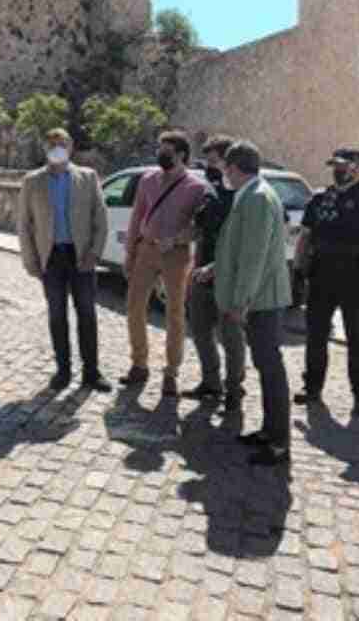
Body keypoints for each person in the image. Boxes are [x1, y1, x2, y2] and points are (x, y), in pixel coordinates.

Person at [196, 140, 291, 465]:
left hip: (262, 299)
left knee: (270, 368)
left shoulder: (258, 198)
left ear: (234, 168)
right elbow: (238, 248)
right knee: (266, 367)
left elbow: (254, 257)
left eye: (225, 169)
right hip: (258, 298)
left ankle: (278, 442)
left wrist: (239, 302)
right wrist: (214, 268)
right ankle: (268, 430)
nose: (224, 175)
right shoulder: (251, 194)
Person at [292, 148, 359, 417]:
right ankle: (312, 388)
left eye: (343, 166)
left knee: (357, 338)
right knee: (316, 335)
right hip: (321, 276)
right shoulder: (320, 198)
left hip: (357, 279)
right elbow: (305, 236)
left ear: (357, 168)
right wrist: (298, 268)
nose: (337, 171)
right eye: (335, 166)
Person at [18, 128, 112, 392]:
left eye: (62, 143)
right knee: (57, 315)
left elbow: (100, 220)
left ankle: (91, 372)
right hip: (51, 258)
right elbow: (24, 224)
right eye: (52, 144)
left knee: (87, 315)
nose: (57, 147)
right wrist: (30, 260)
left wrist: (94, 253)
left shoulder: (88, 177)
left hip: (81, 255)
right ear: (45, 148)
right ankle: (63, 370)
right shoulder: (32, 181)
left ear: (71, 147)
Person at [120, 129, 208, 395]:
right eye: (160, 149)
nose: (161, 155)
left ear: (181, 154)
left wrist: (179, 239)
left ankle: (171, 372)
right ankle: (139, 364)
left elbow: (199, 227)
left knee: (175, 314)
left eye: (166, 151)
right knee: (134, 307)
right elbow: (137, 216)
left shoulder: (196, 187)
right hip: (146, 249)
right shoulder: (148, 179)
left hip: (176, 255)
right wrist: (129, 253)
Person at [182, 135, 247, 412]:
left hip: (228, 275)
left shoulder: (243, 194)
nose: (208, 167)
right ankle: (211, 382)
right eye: (206, 161)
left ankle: (234, 389)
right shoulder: (210, 190)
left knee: (231, 336)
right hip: (202, 271)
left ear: (228, 162)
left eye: (213, 161)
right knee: (199, 329)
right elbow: (201, 229)